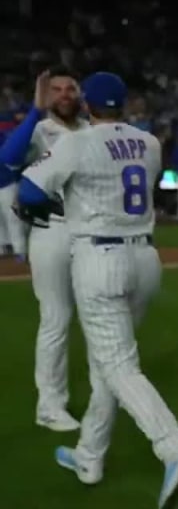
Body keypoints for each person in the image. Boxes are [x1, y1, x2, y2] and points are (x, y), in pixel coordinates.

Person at [16, 72, 178, 508]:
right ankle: (89, 455)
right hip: (145, 258)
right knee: (107, 365)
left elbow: (28, 189)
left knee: (118, 366)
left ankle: (172, 444)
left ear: (87, 105)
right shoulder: (150, 142)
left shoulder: (77, 142)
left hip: (100, 259)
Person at [0, 66, 88, 432]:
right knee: (56, 318)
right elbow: (7, 158)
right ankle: (50, 405)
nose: (64, 94)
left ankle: (111, 388)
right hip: (51, 230)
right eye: (57, 89)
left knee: (99, 314)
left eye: (70, 88)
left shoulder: (89, 129)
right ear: (46, 94)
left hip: (88, 230)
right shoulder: (37, 128)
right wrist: (35, 110)